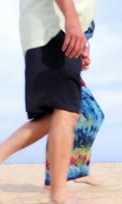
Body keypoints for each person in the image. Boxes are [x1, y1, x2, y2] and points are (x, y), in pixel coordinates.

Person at [0, 0, 100, 204]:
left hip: (53, 31)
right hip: (53, 29)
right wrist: (72, 19)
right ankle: (58, 195)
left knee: (57, 114)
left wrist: (82, 40)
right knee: (66, 111)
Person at [43, 20, 104, 193]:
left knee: (90, 117)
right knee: (76, 118)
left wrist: (84, 57)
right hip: (57, 67)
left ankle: (78, 171)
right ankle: (53, 181)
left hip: (70, 68)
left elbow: (84, 41)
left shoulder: (87, 11)